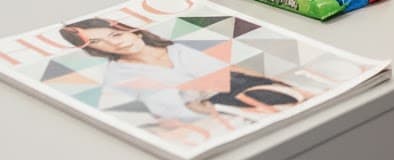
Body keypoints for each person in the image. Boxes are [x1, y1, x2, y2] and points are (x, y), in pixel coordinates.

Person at [59, 18, 310, 123]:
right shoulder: (117, 76)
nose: (115, 42)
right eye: (98, 41)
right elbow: (165, 111)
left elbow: (232, 71)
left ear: (130, 29)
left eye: (115, 33)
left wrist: (296, 88)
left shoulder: (176, 47)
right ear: (94, 50)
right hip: (215, 110)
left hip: (243, 86)